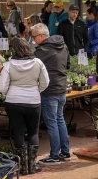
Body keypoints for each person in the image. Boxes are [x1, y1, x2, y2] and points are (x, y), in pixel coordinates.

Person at [0, 38, 49, 175]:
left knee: (18, 132)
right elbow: (45, 82)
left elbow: (2, 87)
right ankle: (32, 165)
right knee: (33, 132)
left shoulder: (8, 65)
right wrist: (36, 90)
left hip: (13, 101)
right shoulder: (38, 63)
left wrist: (10, 92)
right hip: (33, 100)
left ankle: (22, 167)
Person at [31, 23, 71, 165]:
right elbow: (68, 65)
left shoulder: (42, 51)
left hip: (49, 90)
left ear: (42, 36)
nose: (33, 40)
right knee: (59, 119)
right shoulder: (63, 46)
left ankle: (54, 155)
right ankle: (65, 152)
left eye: (34, 37)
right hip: (61, 88)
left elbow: (32, 68)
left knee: (52, 122)